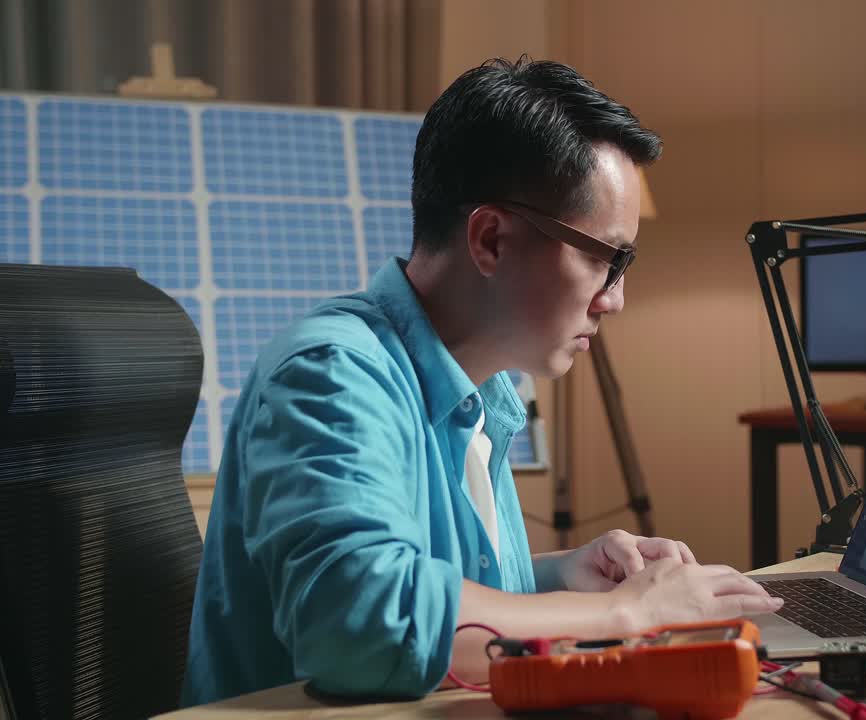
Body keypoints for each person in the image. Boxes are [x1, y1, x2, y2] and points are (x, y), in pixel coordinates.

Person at [181, 56, 783, 707]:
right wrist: (632, 613)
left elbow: (427, 582)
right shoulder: (331, 374)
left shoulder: (481, 392)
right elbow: (361, 626)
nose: (615, 299)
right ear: (491, 239)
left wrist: (562, 576)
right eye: (606, 260)